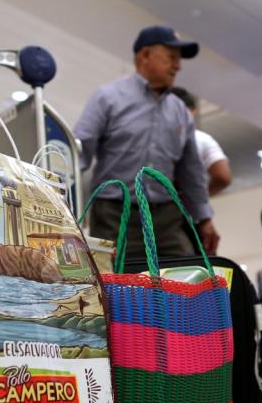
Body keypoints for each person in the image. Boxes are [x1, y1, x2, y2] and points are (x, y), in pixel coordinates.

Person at [76, 26, 220, 259]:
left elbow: (191, 172)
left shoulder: (180, 112)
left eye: (179, 60)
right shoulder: (108, 97)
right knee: (114, 285)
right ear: (145, 55)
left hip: (165, 219)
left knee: (187, 273)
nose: (178, 65)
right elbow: (79, 151)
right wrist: (55, 196)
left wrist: (204, 218)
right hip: (114, 215)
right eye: (171, 57)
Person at [170, 86, 233, 196]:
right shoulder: (202, 139)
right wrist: (199, 199)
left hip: (152, 208)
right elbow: (223, 177)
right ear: (193, 111)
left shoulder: (149, 141)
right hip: (188, 208)